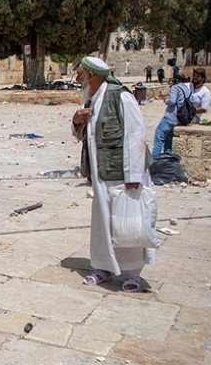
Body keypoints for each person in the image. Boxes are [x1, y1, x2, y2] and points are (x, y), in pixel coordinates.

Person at [71, 56, 154, 292]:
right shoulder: (92, 99)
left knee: (127, 222)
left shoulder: (121, 97)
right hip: (101, 174)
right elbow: (86, 136)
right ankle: (103, 266)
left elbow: (136, 136)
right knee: (103, 222)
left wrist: (133, 177)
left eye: (80, 73)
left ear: (92, 75)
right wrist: (77, 121)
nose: (78, 78)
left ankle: (132, 273)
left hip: (124, 173)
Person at [151, 69, 210, 156]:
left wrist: (190, 111)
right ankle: (166, 161)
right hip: (179, 117)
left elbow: (204, 108)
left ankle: (154, 163)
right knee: (168, 139)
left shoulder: (205, 92)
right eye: (194, 75)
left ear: (203, 79)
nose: (195, 78)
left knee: (159, 138)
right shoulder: (187, 87)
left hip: (187, 117)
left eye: (198, 76)